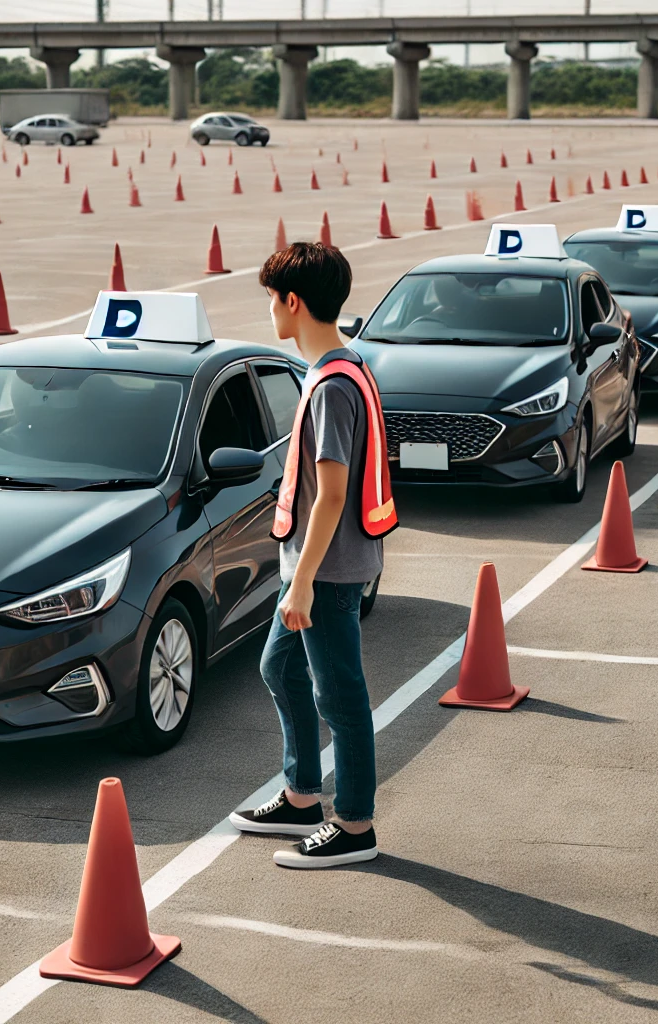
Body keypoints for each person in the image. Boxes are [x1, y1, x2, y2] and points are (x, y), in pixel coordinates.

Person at [229, 242, 397, 869]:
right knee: (281, 668)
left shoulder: (329, 385)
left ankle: (354, 825)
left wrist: (300, 583)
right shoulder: (345, 364)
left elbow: (329, 495)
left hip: (322, 573)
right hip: (315, 567)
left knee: (342, 697)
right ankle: (303, 794)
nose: (271, 310)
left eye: (273, 299)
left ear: (293, 302)